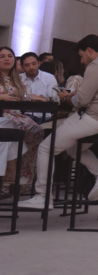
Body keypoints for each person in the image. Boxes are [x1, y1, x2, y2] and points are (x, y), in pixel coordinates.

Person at [20, 35, 98, 209]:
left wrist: (66, 97)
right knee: (72, 148)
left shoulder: (96, 66)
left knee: (46, 148)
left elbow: (82, 100)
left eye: (81, 56)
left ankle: (43, 196)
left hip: (92, 118)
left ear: (89, 51)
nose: (82, 60)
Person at [0, 47, 46, 197]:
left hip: (15, 115)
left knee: (36, 130)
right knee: (14, 129)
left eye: (9, 56)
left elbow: (26, 95)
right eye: (2, 56)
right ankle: (11, 178)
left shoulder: (17, 79)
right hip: (3, 116)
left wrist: (40, 98)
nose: (7, 59)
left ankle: (19, 178)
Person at [19, 52, 60, 121]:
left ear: (39, 63)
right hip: (23, 116)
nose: (31, 67)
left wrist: (45, 99)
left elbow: (53, 98)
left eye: (34, 64)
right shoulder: (18, 78)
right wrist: (39, 98)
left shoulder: (49, 77)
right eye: (27, 65)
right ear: (22, 67)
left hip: (44, 116)